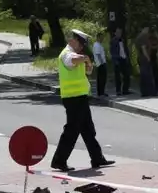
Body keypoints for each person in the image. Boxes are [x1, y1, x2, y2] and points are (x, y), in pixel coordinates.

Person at [50, 29, 115, 172]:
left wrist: (88, 65)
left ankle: (97, 158)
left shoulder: (77, 54)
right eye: (80, 44)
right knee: (72, 130)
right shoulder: (67, 53)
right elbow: (72, 60)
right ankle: (59, 161)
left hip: (80, 97)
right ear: (73, 41)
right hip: (72, 98)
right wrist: (85, 58)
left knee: (88, 129)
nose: (81, 48)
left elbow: (87, 71)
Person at [135, 27, 158, 97]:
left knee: (144, 75)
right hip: (144, 58)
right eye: (147, 29)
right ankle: (151, 91)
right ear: (144, 29)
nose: (148, 31)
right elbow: (143, 48)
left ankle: (144, 92)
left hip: (141, 57)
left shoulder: (138, 37)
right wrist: (148, 57)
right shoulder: (143, 37)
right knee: (148, 75)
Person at [109, 27, 131, 96]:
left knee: (127, 75)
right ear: (115, 33)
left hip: (123, 59)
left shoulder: (122, 40)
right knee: (118, 77)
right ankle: (118, 91)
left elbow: (123, 49)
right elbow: (112, 51)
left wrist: (126, 57)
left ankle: (125, 90)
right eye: (118, 32)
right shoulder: (113, 41)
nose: (119, 34)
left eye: (120, 32)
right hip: (117, 59)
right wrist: (115, 60)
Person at [92, 33, 109, 97]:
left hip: (100, 64)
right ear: (98, 37)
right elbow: (98, 54)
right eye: (101, 37)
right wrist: (102, 63)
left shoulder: (99, 44)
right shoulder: (96, 45)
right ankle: (101, 92)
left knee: (101, 79)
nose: (102, 39)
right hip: (100, 64)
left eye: (103, 37)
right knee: (102, 79)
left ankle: (101, 92)